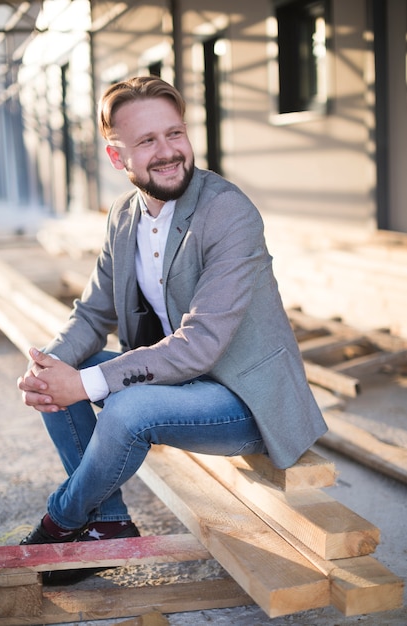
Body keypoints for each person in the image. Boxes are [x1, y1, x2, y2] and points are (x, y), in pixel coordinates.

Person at [17, 76, 327, 584]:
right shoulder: (123, 216)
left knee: (127, 406)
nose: (168, 152)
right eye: (147, 141)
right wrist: (46, 367)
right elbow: (93, 314)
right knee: (62, 372)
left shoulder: (227, 210)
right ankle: (110, 524)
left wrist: (91, 383)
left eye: (175, 133)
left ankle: (63, 520)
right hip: (180, 383)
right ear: (119, 159)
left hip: (242, 398)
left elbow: (201, 343)